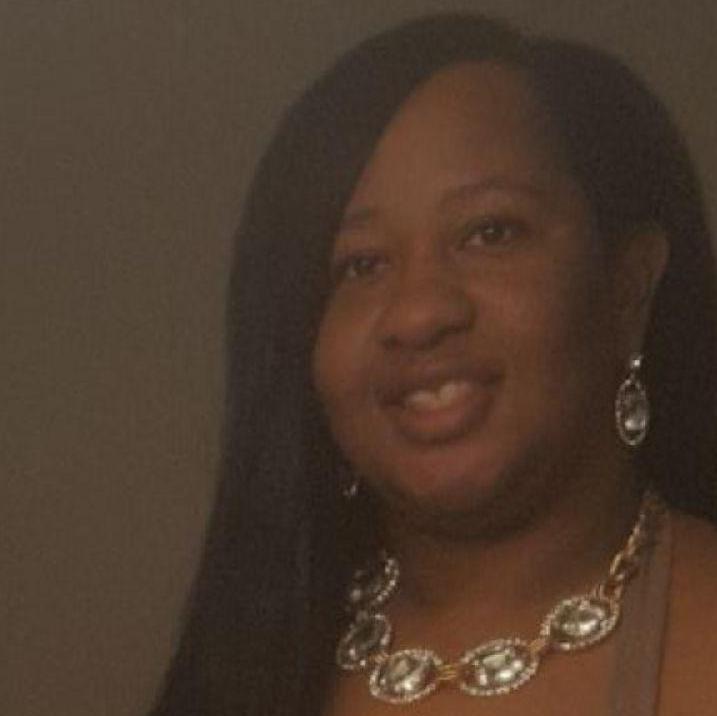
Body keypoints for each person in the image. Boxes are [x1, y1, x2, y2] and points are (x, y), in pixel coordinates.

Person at [149, 13, 717, 716]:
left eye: (489, 232)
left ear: (628, 285)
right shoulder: (247, 664)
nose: (418, 313)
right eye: (360, 265)